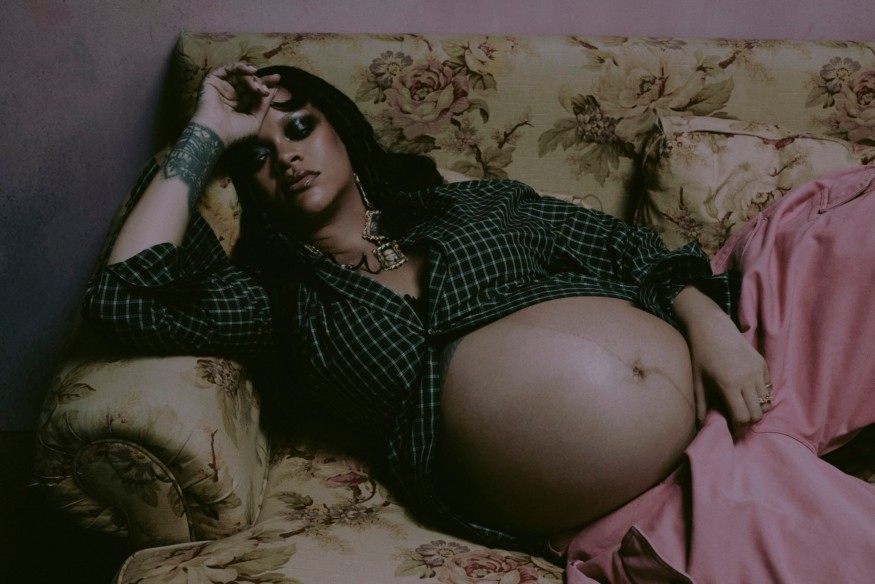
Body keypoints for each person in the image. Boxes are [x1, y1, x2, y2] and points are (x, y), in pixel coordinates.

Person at [83, 62, 875, 581]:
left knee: (854, 238)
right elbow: (124, 296)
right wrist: (203, 134)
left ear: (341, 134)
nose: (286, 156)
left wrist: (711, 331)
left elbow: (626, 249)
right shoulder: (283, 305)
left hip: (740, 356)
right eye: (255, 156)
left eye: (298, 126)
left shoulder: (471, 206)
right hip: (652, 496)